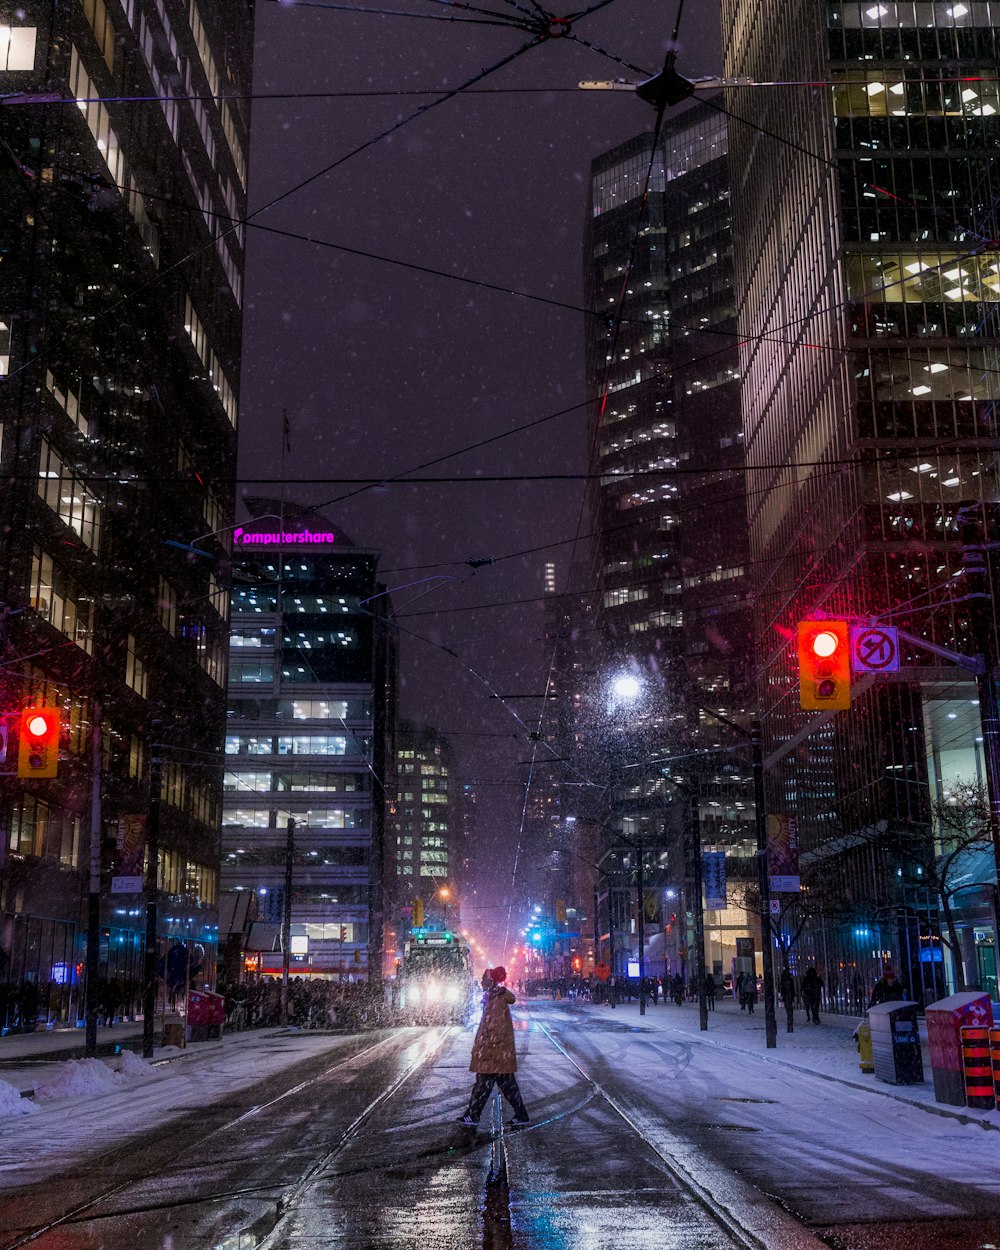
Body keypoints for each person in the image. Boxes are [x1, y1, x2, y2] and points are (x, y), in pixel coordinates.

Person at [457, 967, 530, 1128]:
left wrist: (485, 1049)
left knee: (483, 1086)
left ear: (490, 981)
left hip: (494, 1054)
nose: (481, 982)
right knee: (506, 1087)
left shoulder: (495, 1000)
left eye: (484, 979)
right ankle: (520, 1114)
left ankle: (472, 1115)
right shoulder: (493, 997)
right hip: (498, 1055)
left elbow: (495, 1029)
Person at [778, 967, 796, 1033]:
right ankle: (790, 1019)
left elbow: (782, 988)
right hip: (789, 996)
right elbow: (792, 988)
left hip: (786, 996)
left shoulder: (783, 979)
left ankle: (789, 1018)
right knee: (790, 1008)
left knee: (788, 1008)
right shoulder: (790, 979)